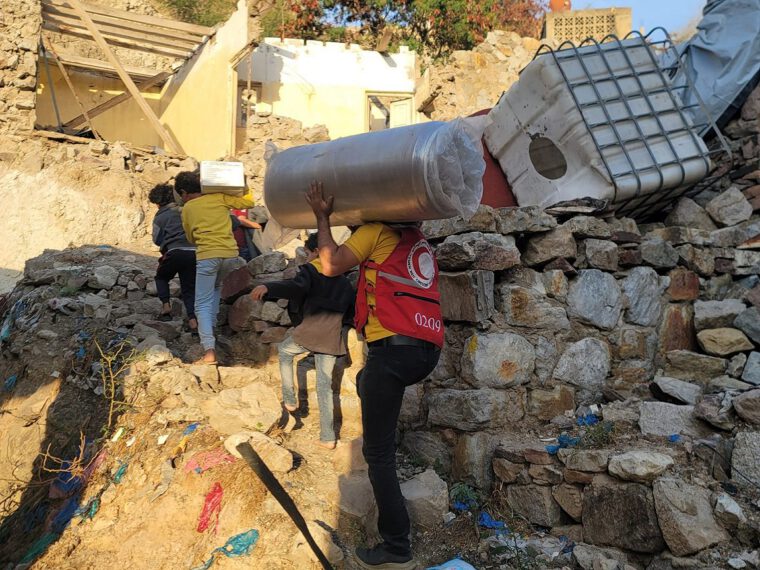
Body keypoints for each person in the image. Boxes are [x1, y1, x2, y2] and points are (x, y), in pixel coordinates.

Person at [305, 181, 442, 569]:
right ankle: (371, 387)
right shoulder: (416, 240)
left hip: (392, 353)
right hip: (422, 353)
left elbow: (330, 264)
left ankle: (396, 547)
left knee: (377, 453)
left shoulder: (375, 232)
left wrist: (322, 215)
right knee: (368, 381)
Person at [250, 233, 354, 449]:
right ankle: (328, 437)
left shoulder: (311, 270)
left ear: (317, 252)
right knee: (325, 386)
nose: (305, 258)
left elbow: (295, 288)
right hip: (331, 338)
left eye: (307, 253)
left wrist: (269, 287)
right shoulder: (344, 280)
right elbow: (350, 311)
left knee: (286, 353)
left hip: (308, 333)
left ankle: (289, 398)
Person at [177, 170, 254, 365]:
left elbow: (190, 237)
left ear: (185, 192)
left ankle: (209, 350)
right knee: (216, 289)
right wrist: (244, 183)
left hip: (207, 256)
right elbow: (249, 202)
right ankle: (211, 332)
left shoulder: (187, 208)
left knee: (201, 303)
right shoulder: (218, 197)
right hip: (230, 255)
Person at [148, 183, 197, 332]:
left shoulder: (160, 216)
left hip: (173, 252)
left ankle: (166, 307)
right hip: (194, 252)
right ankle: (193, 321)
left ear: (158, 202)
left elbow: (156, 239)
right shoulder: (187, 210)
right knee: (189, 288)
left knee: (161, 277)